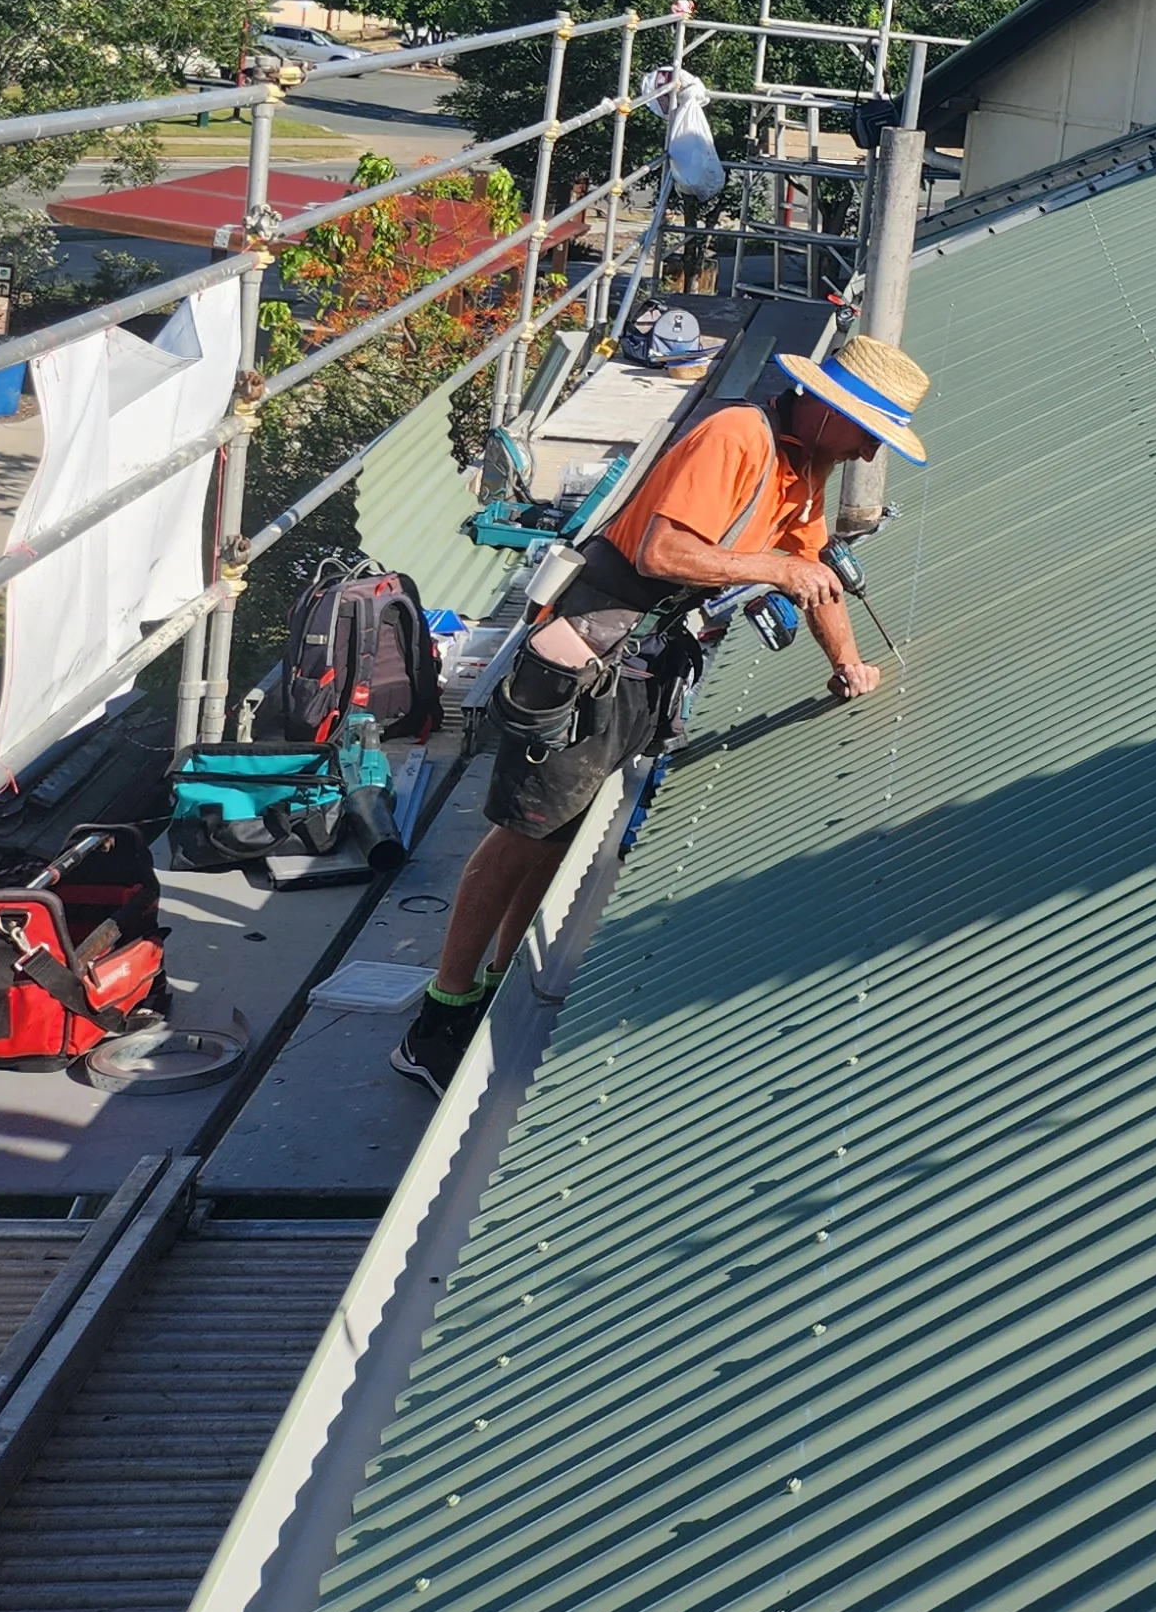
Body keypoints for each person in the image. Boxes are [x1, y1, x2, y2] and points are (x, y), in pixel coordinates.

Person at [389, 332, 933, 1096]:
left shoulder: (805, 469)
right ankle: (438, 1020)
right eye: (866, 432)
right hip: (591, 644)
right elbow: (662, 552)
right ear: (823, 406)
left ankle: (499, 988)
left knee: (560, 833)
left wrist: (846, 662)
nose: (868, 451)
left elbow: (814, 574)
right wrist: (771, 566)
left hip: (641, 657)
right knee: (523, 831)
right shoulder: (737, 437)